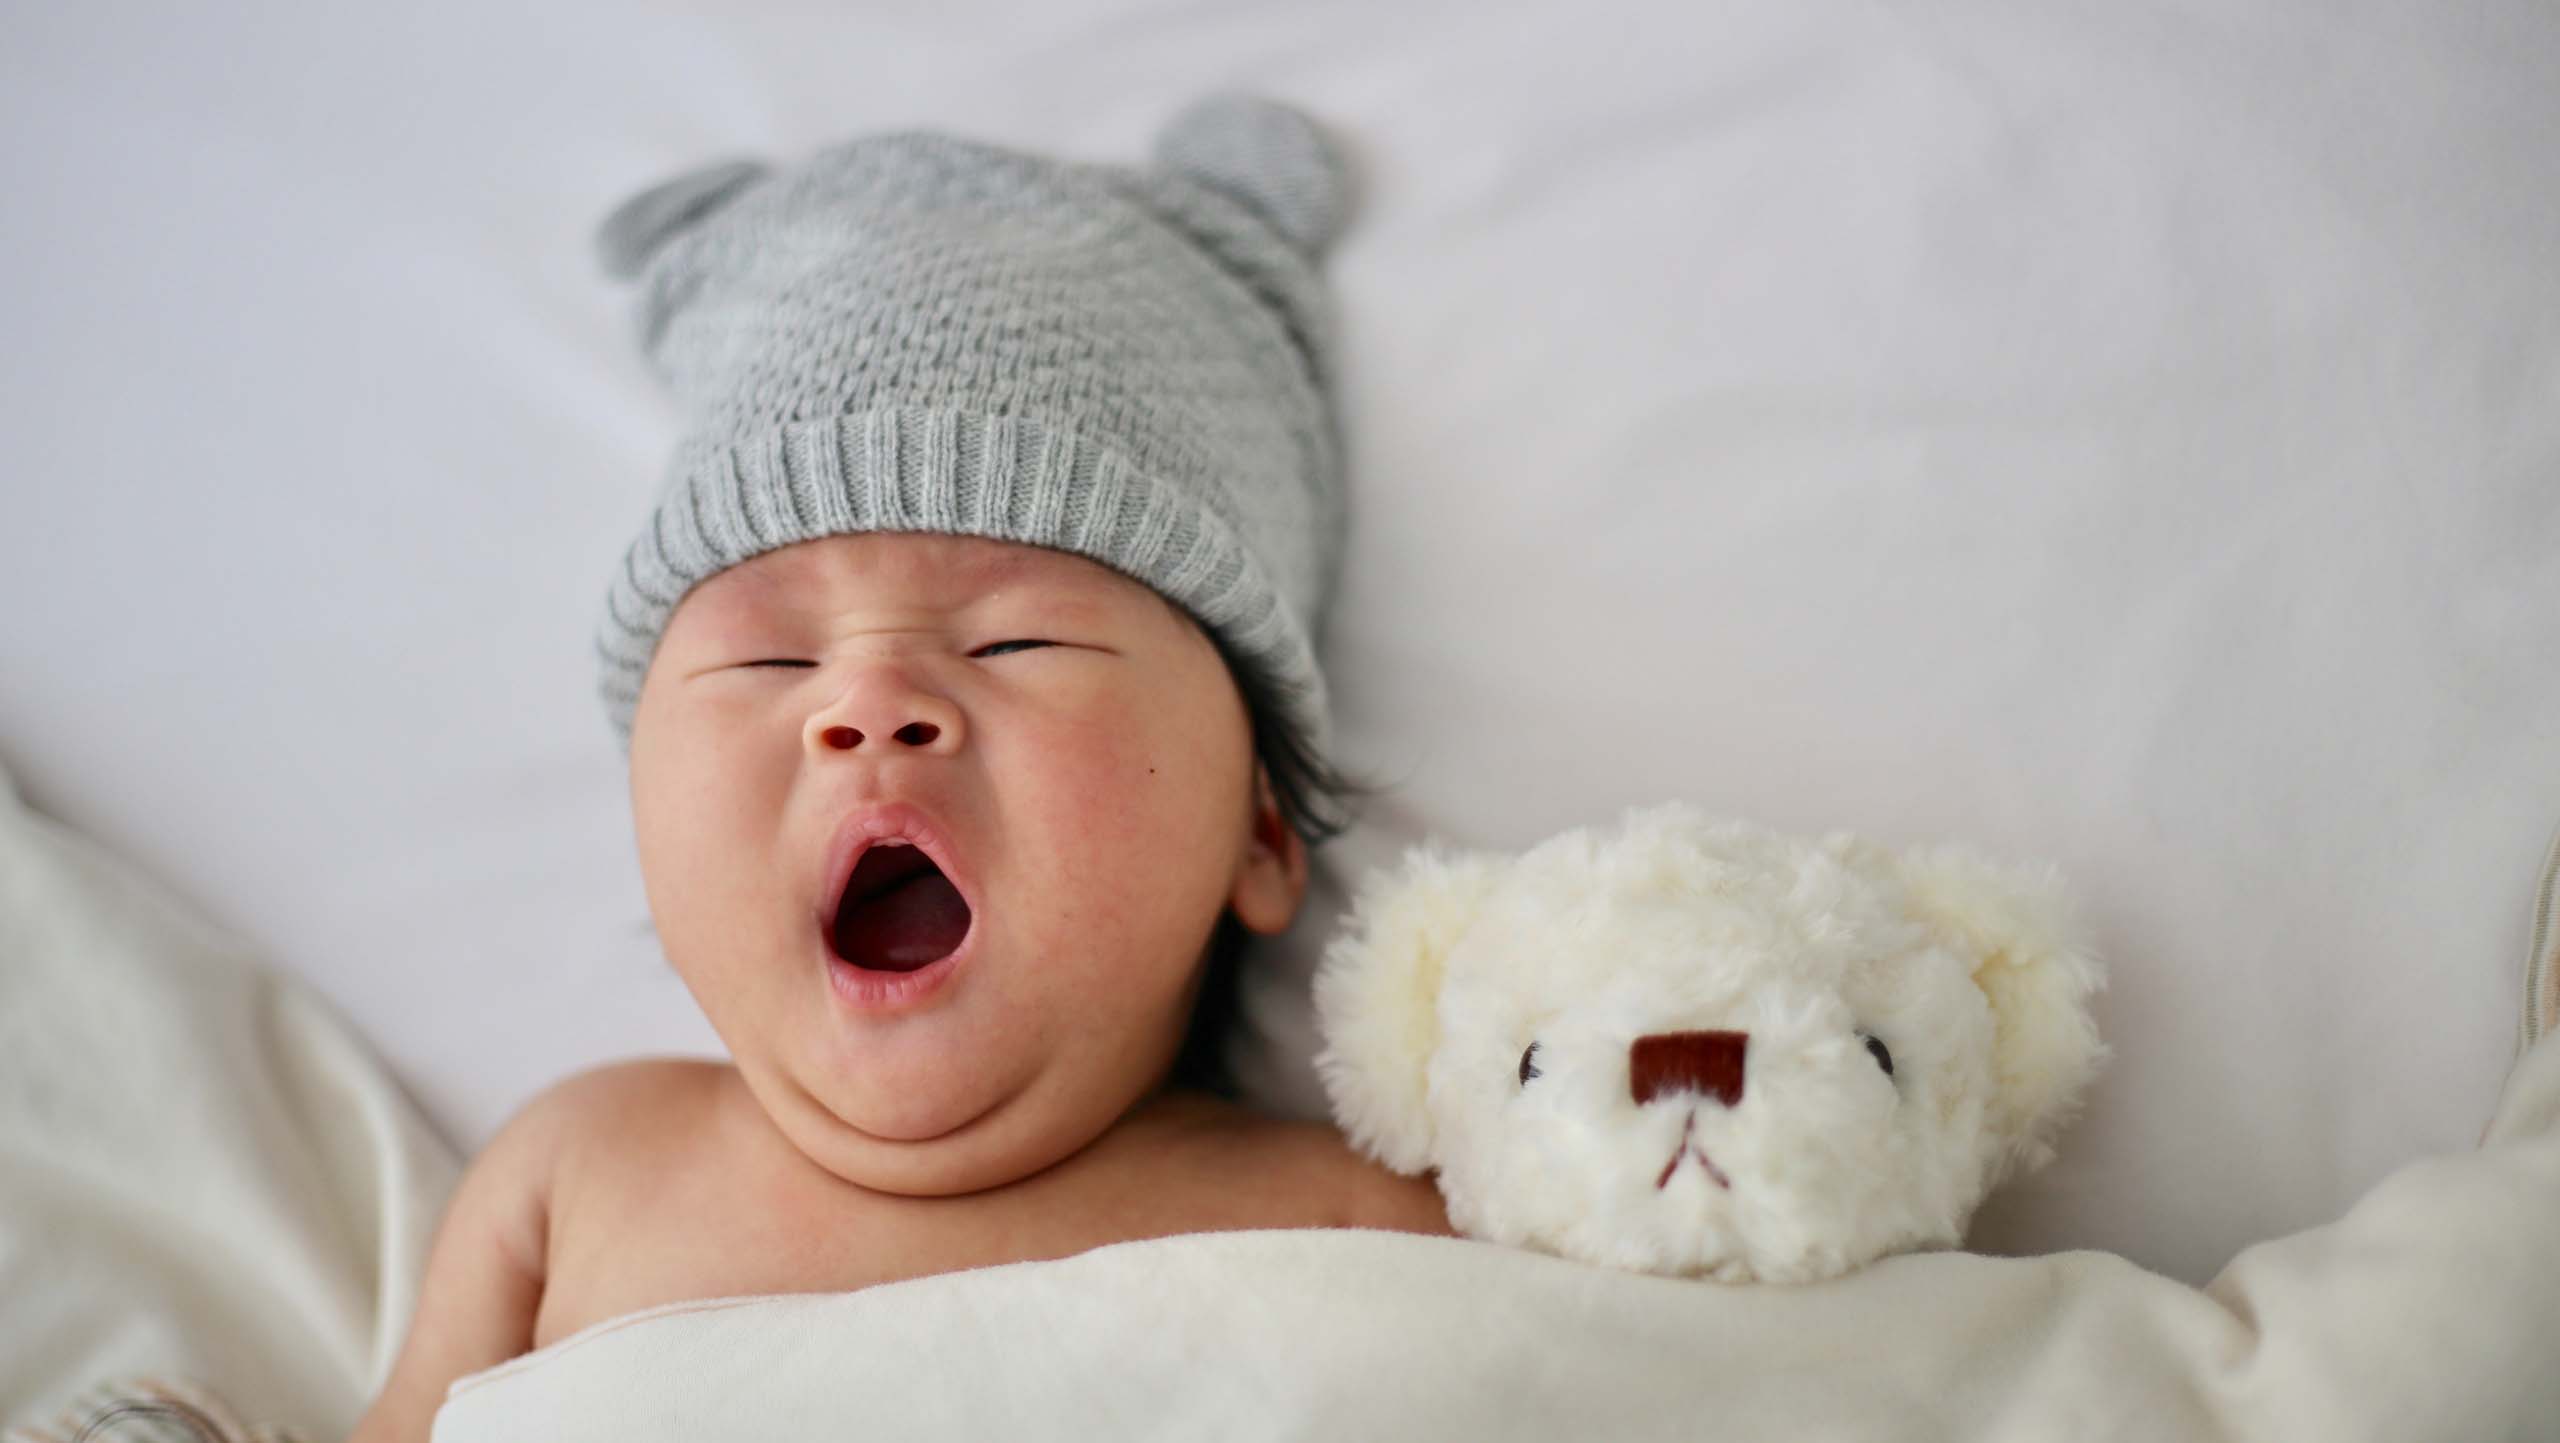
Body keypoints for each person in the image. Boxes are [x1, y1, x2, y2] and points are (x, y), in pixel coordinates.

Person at [348, 90, 1451, 1443]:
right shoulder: (572, 1178)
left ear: (1261, 836)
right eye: (769, 661)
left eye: (1015, 640)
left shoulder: (1363, 1224)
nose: (868, 701)